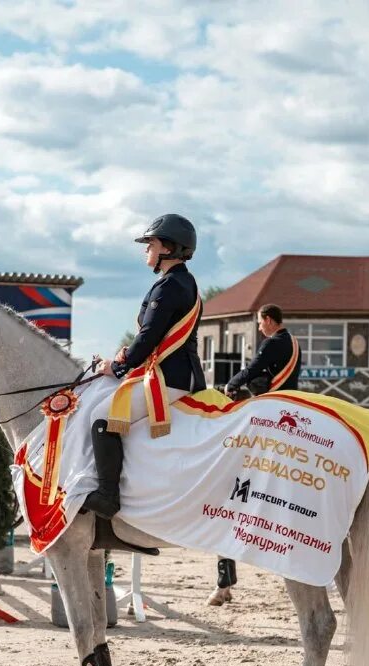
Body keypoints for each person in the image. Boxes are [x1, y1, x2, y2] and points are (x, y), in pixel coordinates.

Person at [83, 213, 206, 519]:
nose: (146, 249)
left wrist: (118, 366)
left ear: (168, 248)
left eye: (150, 243)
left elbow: (148, 337)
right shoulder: (183, 281)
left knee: (101, 416)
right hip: (178, 373)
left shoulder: (169, 286)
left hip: (171, 378)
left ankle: (108, 496)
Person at [208, 303, 302, 606]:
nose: (260, 328)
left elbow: (253, 369)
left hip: (272, 410)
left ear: (270, 321)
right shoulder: (294, 342)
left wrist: (232, 383)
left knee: (230, 478)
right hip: (291, 405)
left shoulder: (273, 343)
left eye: (261, 323)